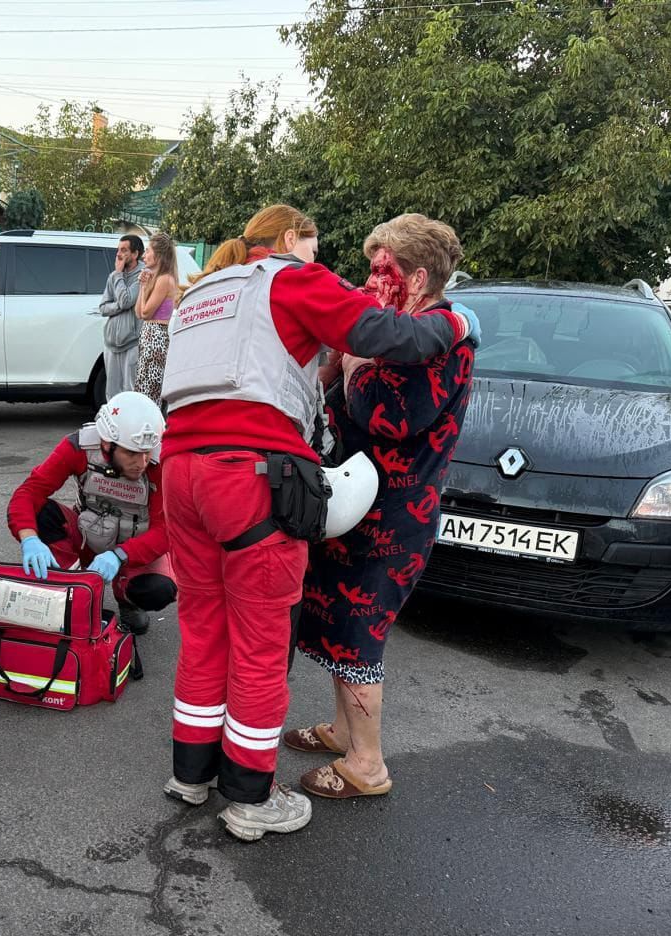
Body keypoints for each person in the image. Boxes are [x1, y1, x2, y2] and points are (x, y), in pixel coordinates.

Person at [157, 204, 477, 842]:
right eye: (317, 247)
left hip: (180, 471)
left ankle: (190, 774)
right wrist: (458, 318)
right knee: (259, 641)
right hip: (250, 479)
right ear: (286, 242)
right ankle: (252, 797)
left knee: (202, 628)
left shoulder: (207, 289)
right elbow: (392, 339)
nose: (346, 276)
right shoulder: (291, 278)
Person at [284, 214, 475, 800]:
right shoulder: (402, 331)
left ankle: (367, 764)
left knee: (360, 632)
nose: (370, 278)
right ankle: (345, 731)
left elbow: (391, 418)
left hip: (392, 521)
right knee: (341, 625)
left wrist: (356, 364)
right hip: (354, 509)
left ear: (416, 279)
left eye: (380, 267)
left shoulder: (443, 341)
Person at [7, 391, 176, 635]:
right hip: (88, 535)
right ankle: (75, 587)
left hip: (135, 548)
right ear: (107, 443)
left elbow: (166, 531)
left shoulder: (161, 463)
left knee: (159, 590)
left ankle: (126, 598)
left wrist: (119, 556)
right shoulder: (80, 447)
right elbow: (28, 493)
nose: (141, 462)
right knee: (42, 513)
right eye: (130, 452)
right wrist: (30, 540)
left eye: (147, 451)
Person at [133, 232, 180, 404]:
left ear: (158, 254)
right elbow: (139, 313)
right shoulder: (156, 278)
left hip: (156, 338)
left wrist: (145, 287)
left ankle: (152, 427)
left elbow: (146, 313)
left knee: (150, 392)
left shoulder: (165, 279)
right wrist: (142, 287)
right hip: (149, 337)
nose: (144, 256)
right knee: (143, 388)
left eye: (147, 251)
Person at [99, 235, 146, 401]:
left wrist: (119, 275)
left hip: (132, 342)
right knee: (111, 394)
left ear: (135, 254)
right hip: (111, 343)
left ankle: (129, 426)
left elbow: (126, 300)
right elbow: (103, 307)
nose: (118, 254)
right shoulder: (113, 276)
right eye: (118, 250)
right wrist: (118, 306)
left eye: (124, 250)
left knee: (129, 392)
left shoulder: (143, 276)